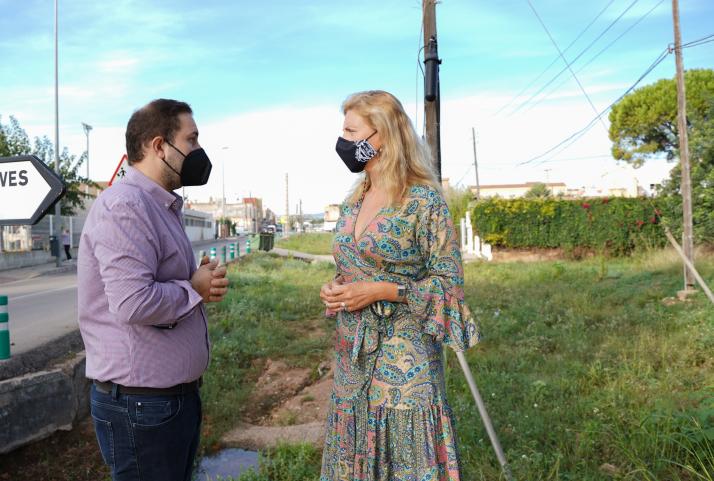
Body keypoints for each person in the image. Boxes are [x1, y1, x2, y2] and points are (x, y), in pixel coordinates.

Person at [319, 90, 481, 481]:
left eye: (350, 130)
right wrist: (336, 287)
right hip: (352, 359)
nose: (342, 140)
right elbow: (353, 266)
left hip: (405, 363)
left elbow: (449, 287)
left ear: (383, 136)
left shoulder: (423, 201)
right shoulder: (355, 200)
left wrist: (384, 290)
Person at [77, 99, 229, 481]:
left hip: (165, 401)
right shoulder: (126, 205)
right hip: (141, 406)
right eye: (191, 139)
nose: (197, 151)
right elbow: (133, 303)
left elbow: (160, 282)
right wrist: (193, 287)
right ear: (159, 146)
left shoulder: (159, 206)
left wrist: (197, 283)